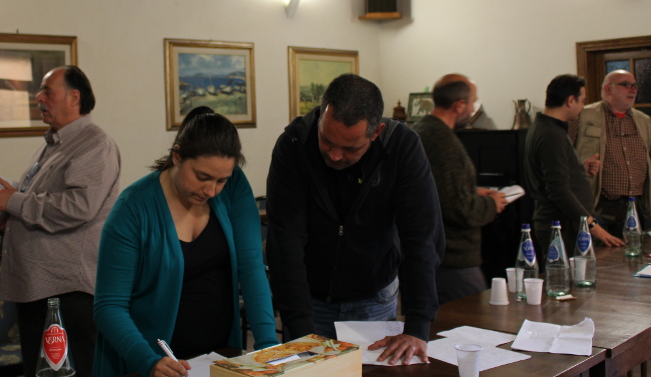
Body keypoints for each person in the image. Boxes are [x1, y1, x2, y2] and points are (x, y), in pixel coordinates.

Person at [266, 74, 444, 365]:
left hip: (374, 297)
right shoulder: (295, 144)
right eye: (327, 141)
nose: (335, 156)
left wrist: (417, 326)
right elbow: (285, 242)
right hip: (309, 298)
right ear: (321, 115)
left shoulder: (401, 146)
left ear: (376, 133)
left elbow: (422, 237)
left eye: (350, 148)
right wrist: (299, 328)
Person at [93, 106, 277, 377]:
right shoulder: (133, 208)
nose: (211, 190)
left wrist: (268, 348)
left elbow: (251, 267)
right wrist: (148, 360)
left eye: (221, 181)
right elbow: (109, 306)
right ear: (177, 155)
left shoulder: (233, 185)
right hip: (147, 361)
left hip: (218, 354)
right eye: (202, 177)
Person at [0, 65, 121, 377]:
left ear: (74, 97)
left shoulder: (95, 144)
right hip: (39, 285)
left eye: (47, 91)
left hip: (68, 289)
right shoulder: (54, 144)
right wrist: (12, 217)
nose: (38, 98)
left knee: (71, 371)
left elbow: (79, 206)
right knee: (41, 371)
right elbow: (45, 202)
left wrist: (14, 202)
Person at [413, 74, 508, 304]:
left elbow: (436, 189)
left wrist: (472, 191)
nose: (473, 109)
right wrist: (492, 204)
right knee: (471, 320)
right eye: (472, 102)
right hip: (451, 260)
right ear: (459, 106)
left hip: (427, 254)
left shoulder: (420, 130)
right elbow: (459, 209)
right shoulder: (443, 142)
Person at [524, 74, 625, 256]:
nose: (583, 106)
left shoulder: (547, 128)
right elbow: (558, 190)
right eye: (582, 100)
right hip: (561, 227)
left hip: (565, 224)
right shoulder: (551, 134)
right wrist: (592, 225)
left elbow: (553, 173)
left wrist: (578, 170)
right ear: (570, 100)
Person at [569, 69, 651, 237]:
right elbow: (564, 155)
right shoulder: (583, 116)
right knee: (602, 252)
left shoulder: (644, 121)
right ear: (608, 89)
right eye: (626, 85)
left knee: (636, 251)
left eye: (635, 85)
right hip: (599, 207)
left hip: (638, 207)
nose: (633, 89)